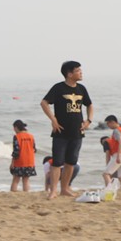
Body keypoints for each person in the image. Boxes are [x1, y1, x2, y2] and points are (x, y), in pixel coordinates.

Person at [41, 60, 93, 199]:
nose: (81, 72)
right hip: (60, 131)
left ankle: (65, 188)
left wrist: (89, 120)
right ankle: (53, 191)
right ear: (69, 74)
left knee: (71, 161)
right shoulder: (58, 88)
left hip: (77, 131)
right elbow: (44, 102)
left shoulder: (81, 89)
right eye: (78, 70)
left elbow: (89, 105)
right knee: (57, 162)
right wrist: (53, 119)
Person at [102, 115, 121, 190]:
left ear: (113, 122)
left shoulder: (116, 130)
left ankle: (109, 190)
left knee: (106, 174)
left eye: (108, 124)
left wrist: (117, 156)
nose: (108, 126)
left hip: (119, 155)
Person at [9, 120, 37, 192]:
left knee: (16, 179)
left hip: (20, 161)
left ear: (16, 127)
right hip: (30, 161)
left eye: (14, 128)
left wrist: (12, 163)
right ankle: (26, 193)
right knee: (26, 180)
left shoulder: (17, 137)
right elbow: (34, 149)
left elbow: (16, 152)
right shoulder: (31, 136)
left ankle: (13, 193)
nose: (14, 130)